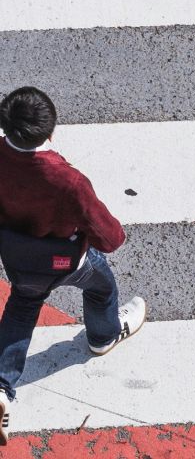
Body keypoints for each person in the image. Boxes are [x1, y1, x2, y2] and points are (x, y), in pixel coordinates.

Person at [0, 87, 147, 441]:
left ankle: (2, 387)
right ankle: (102, 337)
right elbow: (109, 237)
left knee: (22, 309)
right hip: (66, 258)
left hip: (18, 257)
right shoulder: (67, 180)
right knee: (102, 288)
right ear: (51, 130)